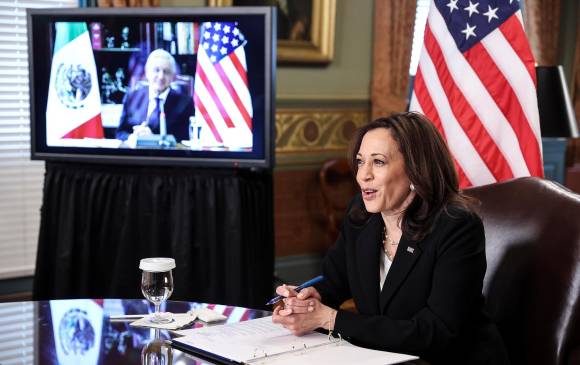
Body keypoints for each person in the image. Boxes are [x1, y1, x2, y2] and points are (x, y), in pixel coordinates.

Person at [272, 112, 509, 365]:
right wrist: (307, 300)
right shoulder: (361, 215)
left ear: (415, 169)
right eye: (360, 162)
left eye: (379, 162)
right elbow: (334, 280)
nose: (363, 175)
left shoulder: (456, 227)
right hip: (383, 358)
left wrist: (328, 319)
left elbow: (435, 332)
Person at [116, 49, 194, 142]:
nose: (161, 76)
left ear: (173, 76)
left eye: (166, 72)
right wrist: (132, 137)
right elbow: (120, 133)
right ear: (147, 72)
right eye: (156, 70)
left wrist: (153, 139)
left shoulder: (184, 103)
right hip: (136, 154)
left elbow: (184, 139)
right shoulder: (132, 97)